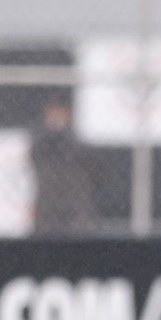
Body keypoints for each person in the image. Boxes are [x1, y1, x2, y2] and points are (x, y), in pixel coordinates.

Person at [28, 95, 96, 236]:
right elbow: (36, 155)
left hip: (74, 202)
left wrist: (62, 134)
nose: (56, 117)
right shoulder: (39, 139)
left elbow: (89, 161)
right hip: (48, 201)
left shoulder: (77, 141)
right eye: (53, 113)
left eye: (60, 113)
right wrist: (53, 134)